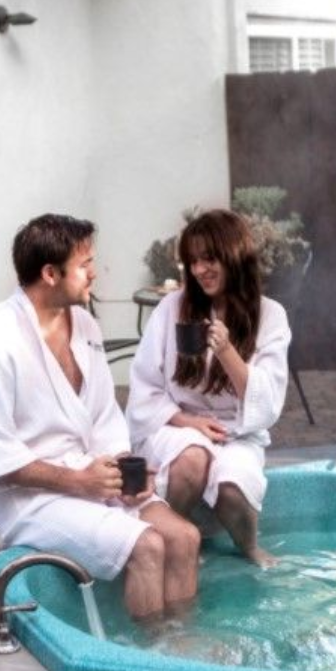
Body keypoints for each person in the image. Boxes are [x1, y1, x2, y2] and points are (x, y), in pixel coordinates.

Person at [0, 214, 200, 620]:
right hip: (27, 496)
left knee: (185, 537)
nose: (94, 273)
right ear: (50, 273)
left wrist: (123, 471)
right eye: (85, 264)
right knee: (148, 546)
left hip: (87, 475)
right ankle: (151, 652)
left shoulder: (85, 324)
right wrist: (78, 481)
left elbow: (104, 418)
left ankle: (184, 645)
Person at [126, 208, 291, 566]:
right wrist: (188, 422)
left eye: (209, 258)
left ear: (235, 256)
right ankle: (176, 540)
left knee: (232, 486)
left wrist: (227, 351)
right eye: (193, 261)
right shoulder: (172, 307)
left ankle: (249, 546)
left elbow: (267, 403)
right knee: (192, 458)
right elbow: (145, 387)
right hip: (176, 425)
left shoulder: (270, 315)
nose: (200, 269)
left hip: (237, 431)